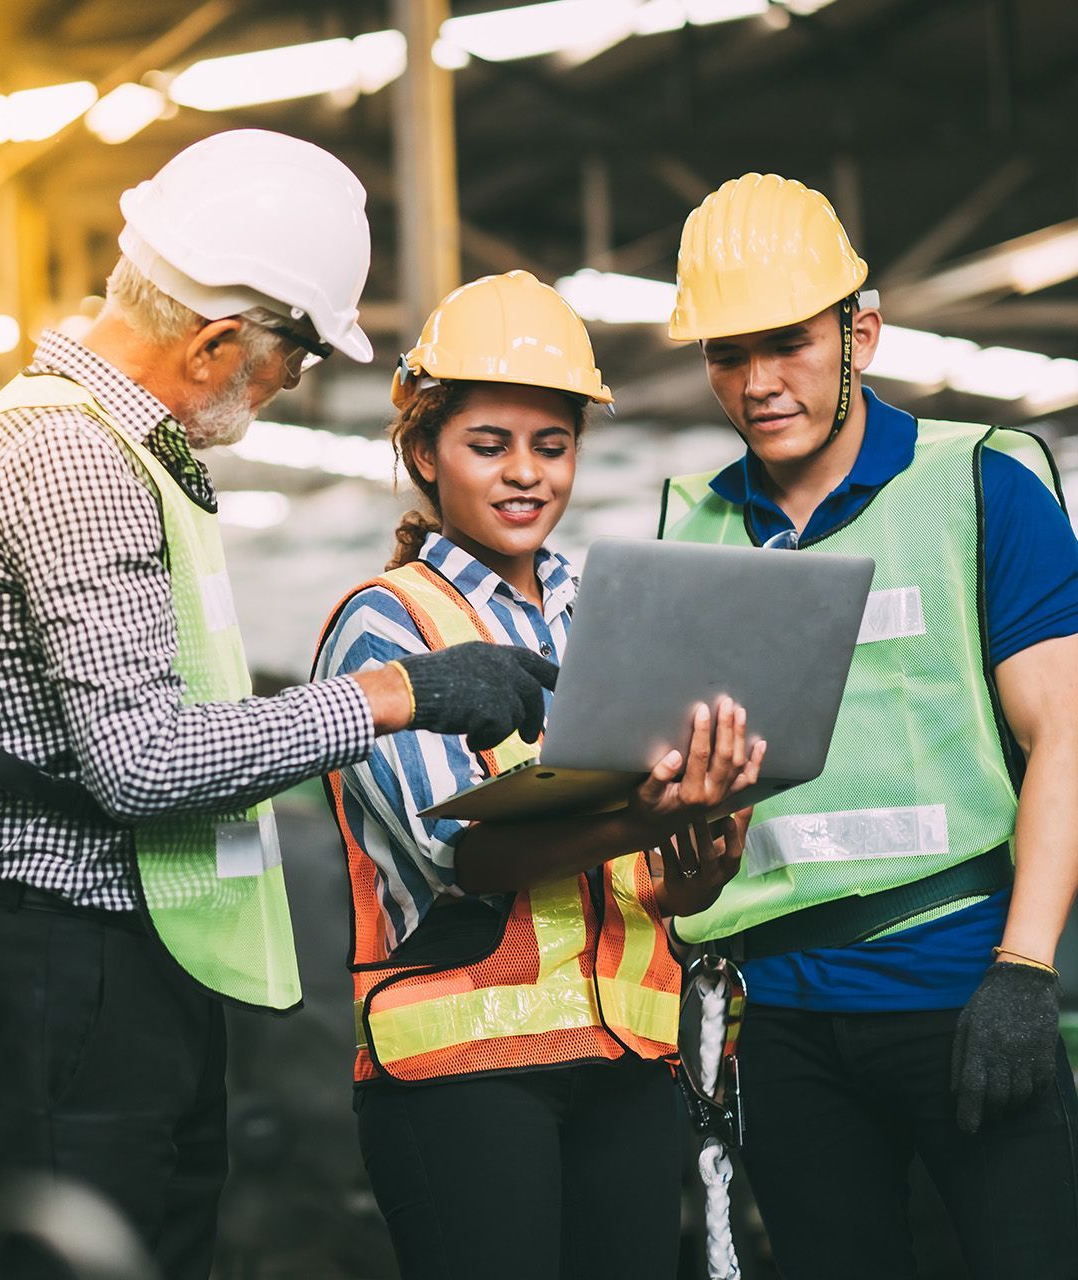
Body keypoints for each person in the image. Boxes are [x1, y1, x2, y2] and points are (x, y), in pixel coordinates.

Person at [0, 131, 562, 1279]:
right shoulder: (77, 458)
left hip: (95, 961)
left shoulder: (119, 449)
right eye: (292, 362)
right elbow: (142, 759)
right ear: (217, 340)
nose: (286, 388)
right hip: (63, 970)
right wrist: (395, 692)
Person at [657, 173, 1078, 1279]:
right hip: (779, 1023)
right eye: (728, 353)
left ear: (859, 331)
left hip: (965, 993)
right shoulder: (695, 526)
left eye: (788, 342)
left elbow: (1071, 734)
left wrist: (1026, 968)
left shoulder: (978, 485)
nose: (759, 382)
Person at [312, 270, 765, 1280]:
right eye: (490, 445)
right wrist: (645, 808)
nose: (526, 473)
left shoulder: (608, 611)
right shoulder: (389, 623)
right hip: (464, 1076)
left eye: (550, 446)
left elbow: (655, 885)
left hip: (628, 1063)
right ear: (426, 452)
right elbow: (461, 851)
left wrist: (697, 854)